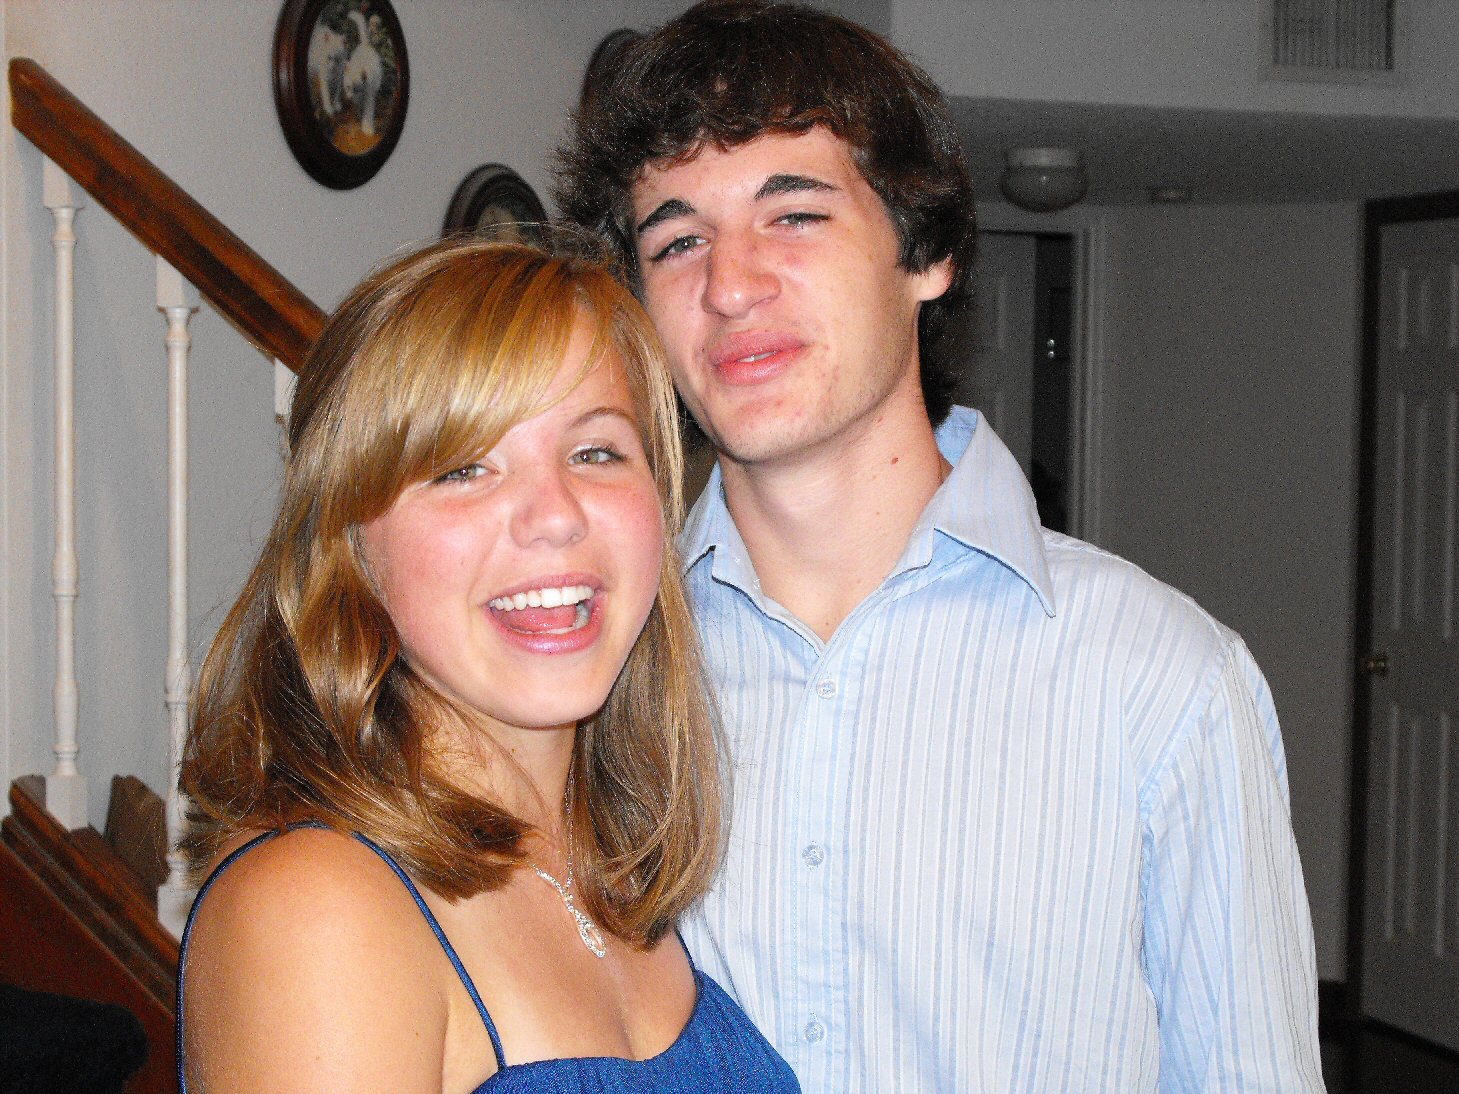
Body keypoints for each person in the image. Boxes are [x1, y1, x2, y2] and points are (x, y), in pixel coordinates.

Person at [555, 2, 1325, 1091]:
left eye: (795, 215)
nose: (729, 284)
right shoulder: (589, 675)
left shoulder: (1162, 679)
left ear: (926, 254)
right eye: (677, 241)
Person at [176, 237, 800, 1093]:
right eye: (464, 468)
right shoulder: (316, 908)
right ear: (351, 546)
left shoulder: (615, 868)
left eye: (595, 452)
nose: (555, 516)